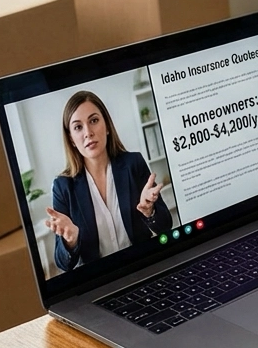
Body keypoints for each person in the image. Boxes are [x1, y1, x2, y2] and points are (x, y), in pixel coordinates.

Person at [46, 90, 171, 272]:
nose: (88, 133)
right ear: (71, 139)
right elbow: (63, 263)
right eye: (78, 127)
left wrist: (150, 211)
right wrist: (70, 241)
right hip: (100, 279)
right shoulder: (62, 186)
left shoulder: (133, 163)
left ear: (107, 126)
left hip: (143, 267)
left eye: (94, 121)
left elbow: (166, 226)